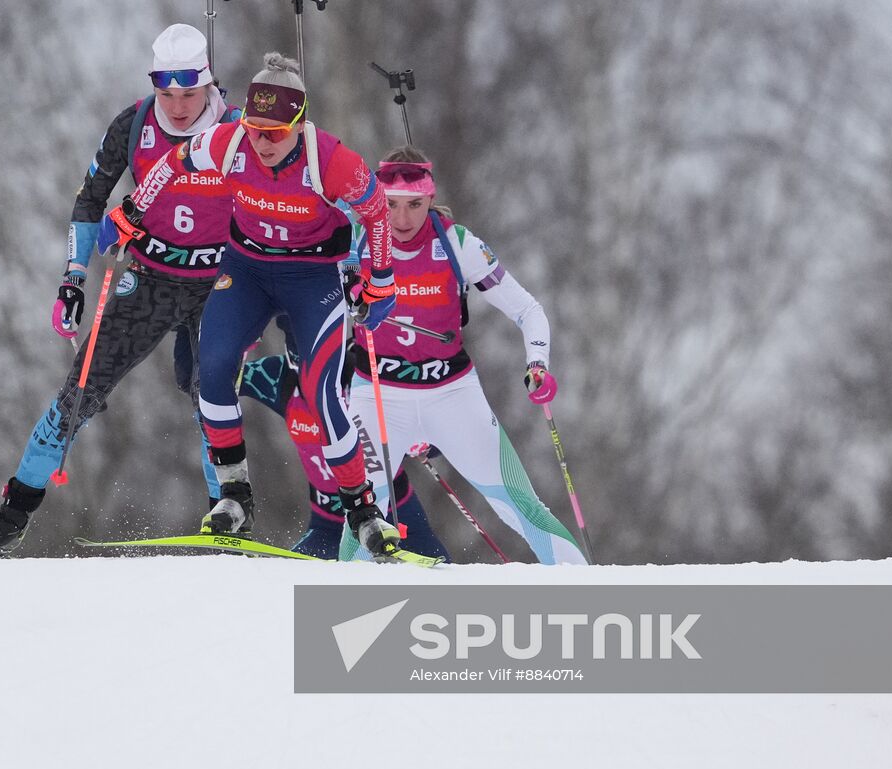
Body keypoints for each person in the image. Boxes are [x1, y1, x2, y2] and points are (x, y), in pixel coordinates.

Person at [0, 24, 241, 557]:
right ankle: (14, 512)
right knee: (78, 394)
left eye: (188, 93)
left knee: (209, 392)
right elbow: (89, 199)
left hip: (220, 281)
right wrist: (73, 277)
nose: (178, 105)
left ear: (208, 83)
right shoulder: (136, 122)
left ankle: (228, 517)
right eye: (166, 93)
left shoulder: (238, 131)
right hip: (150, 277)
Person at [102, 53, 407, 559]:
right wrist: (133, 209)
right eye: (253, 128)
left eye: (274, 132)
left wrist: (381, 279)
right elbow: (174, 162)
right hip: (246, 270)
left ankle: (362, 510)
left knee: (322, 393)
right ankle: (235, 496)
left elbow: (375, 210)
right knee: (214, 369)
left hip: (312, 279)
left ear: (299, 123)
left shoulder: (328, 159)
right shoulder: (230, 143)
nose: (261, 142)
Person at [342, 146, 588, 564]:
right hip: (377, 396)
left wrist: (537, 365)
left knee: (520, 506)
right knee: (363, 515)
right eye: (392, 206)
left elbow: (528, 310)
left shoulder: (458, 245)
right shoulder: (354, 241)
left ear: (430, 198)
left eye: (415, 205)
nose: (401, 220)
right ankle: (337, 619)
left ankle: (592, 594)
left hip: (451, 394)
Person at [236, 350, 450, 561]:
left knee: (443, 579)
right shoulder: (278, 375)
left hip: (390, 510)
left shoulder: (361, 371)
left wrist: (421, 442)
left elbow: (435, 433)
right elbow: (218, 377)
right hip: (329, 525)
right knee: (296, 584)